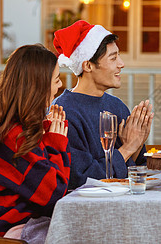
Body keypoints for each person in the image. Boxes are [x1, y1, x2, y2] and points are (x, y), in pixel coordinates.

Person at [0, 44, 70, 239]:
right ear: (38, 86)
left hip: (4, 229)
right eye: (56, 80)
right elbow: (54, 195)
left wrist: (44, 136)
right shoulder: (15, 137)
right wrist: (55, 143)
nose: (60, 86)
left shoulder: (19, 130)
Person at [53, 20, 153, 189]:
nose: (121, 64)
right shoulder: (63, 111)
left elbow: (137, 168)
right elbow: (79, 178)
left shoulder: (117, 106)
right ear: (88, 65)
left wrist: (137, 144)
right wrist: (128, 148)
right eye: (113, 58)